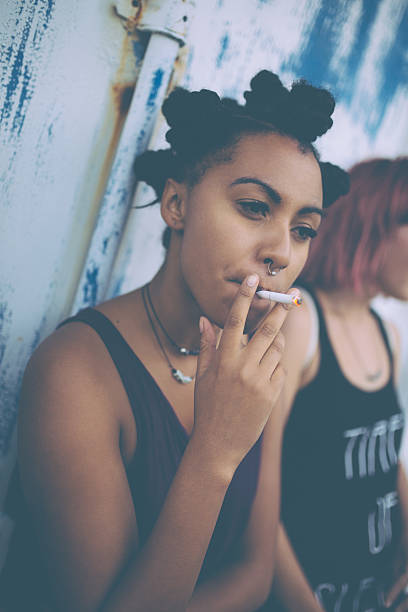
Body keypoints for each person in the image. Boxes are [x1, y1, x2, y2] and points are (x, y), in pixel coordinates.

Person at [0, 71, 348, 612]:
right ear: (177, 205)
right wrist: (215, 451)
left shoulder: (260, 360)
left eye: (303, 229)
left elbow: (255, 573)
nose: (281, 250)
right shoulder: (77, 371)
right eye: (255, 207)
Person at [270, 157, 408, 611]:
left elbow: (386, 458)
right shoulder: (300, 322)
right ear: (370, 224)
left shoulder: (388, 334)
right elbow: (251, 489)